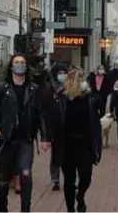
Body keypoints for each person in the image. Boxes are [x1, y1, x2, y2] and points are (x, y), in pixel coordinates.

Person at [0, 53, 50, 212]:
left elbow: (41, 113)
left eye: (22, 62)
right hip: (7, 139)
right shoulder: (3, 87)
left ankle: (25, 209)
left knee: (26, 174)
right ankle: (3, 208)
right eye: (16, 62)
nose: (19, 65)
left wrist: (44, 137)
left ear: (26, 66)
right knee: (3, 179)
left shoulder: (33, 89)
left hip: (26, 140)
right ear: (11, 66)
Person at [56, 68, 102, 212]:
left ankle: (80, 196)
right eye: (80, 78)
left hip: (85, 143)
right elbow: (54, 120)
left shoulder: (90, 98)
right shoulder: (61, 99)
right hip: (67, 144)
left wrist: (97, 146)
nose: (83, 81)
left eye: (84, 78)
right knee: (69, 181)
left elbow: (96, 124)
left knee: (86, 177)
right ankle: (71, 209)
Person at [46, 62, 68, 191]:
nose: (62, 76)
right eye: (60, 73)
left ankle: (69, 178)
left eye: (64, 73)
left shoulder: (72, 88)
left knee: (69, 155)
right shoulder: (50, 89)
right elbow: (45, 109)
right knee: (56, 154)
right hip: (56, 127)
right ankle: (55, 180)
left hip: (69, 126)